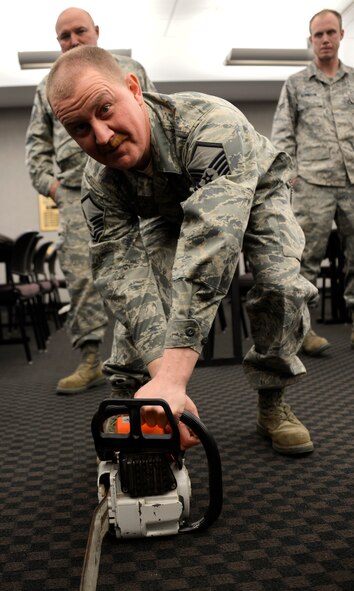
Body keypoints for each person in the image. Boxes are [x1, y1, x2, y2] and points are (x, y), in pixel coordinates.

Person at [46, 44, 319, 454]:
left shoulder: (210, 126)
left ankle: (273, 399)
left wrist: (175, 378)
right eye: (81, 129)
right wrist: (162, 385)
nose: (101, 136)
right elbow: (123, 275)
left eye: (105, 109)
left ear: (133, 88)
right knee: (142, 300)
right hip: (167, 209)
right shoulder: (98, 182)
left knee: (280, 285)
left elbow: (211, 250)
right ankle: (139, 412)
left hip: (257, 188)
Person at [25, 8, 156, 394]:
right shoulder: (47, 87)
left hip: (132, 184)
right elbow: (36, 148)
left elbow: (152, 117)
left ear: (96, 32)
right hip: (75, 195)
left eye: (79, 31)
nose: (73, 41)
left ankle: (148, 356)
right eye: (64, 36)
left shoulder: (128, 68)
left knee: (146, 268)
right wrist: (53, 188)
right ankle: (90, 358)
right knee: (82, 276)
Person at [271, 9, 354, 355]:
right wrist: (289, 178)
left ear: (341, 35)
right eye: (318, 35)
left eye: (330, 33)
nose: (324, 40)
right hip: (312, 185)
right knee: (305, 260)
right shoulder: (296, 84)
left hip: (352, 183)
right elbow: (282, 134)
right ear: (310, 40)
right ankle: (303, 331)